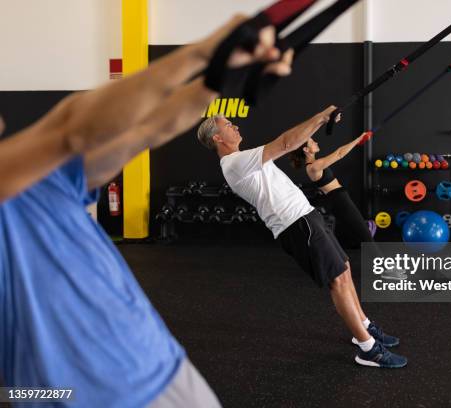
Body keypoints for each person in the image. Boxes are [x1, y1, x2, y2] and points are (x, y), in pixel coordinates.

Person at [0, 14, 293, 407]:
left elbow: (149, 129)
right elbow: (72, 127)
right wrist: (206, 51)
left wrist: (222, 78)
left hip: (163, 364)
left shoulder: (45, 177)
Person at [197, 111, 408, 368]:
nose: (236, 126)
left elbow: (292, 143)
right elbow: (286, 143)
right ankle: (368, 349)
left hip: (307, 217)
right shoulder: (233, 163)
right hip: (296, 225)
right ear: (218, 137)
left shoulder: (244, 158)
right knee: (337, 281)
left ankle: (364, 326)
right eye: (229, 125)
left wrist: (320, 124)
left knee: (345, 268)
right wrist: (321, 117)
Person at [288, 136, 407, 281]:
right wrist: (358, 139)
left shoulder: (315, 164)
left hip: (340, 199)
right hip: (339, 201)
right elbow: (339, 154)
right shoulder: (313, 166)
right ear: (306, 150)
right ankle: (387, 270)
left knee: (362, 234)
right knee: (366, 236)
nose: (316, 142)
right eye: (312, 142)